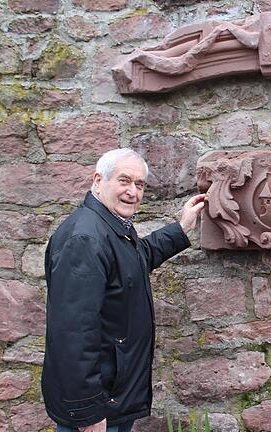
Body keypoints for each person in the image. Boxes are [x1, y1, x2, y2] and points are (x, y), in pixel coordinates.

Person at [42, 148, 206, 432]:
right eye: (124, 181)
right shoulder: (86, 238)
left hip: (112, 398)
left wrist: (181, 228)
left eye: (139, 184)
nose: (133, 192)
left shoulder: (109, 227)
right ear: (98, 180)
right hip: (98, 406)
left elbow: (135, 258)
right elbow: (73, 333)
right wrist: (88, 412)